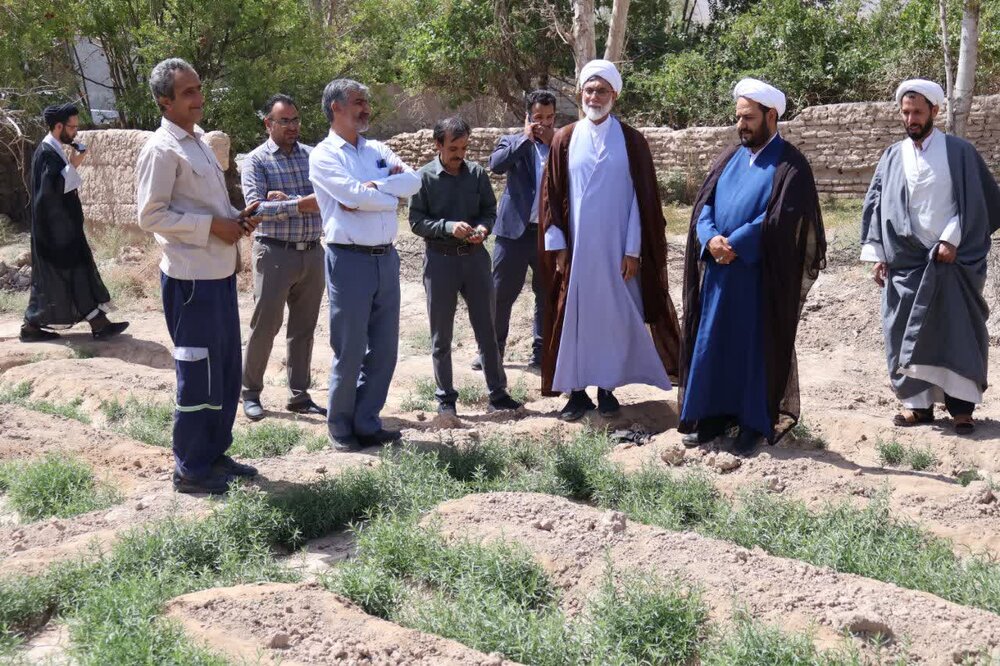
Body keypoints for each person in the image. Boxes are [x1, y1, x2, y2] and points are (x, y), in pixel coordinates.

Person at [678, 78, 826, 455]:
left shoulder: (791, 165)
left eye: (748, 118)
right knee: (712, 344)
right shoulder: (729, 157)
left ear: (770, 116)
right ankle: (710, 417)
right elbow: (705, 205)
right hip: (719, 272)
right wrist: (710, 238)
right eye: (738, 117)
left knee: (751, 350)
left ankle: (751, 424)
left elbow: (781, 218)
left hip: (757, 278)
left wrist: (736, 243)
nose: (740, 125)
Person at [136, 58, 261, 494]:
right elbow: (150, 215)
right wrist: (211, 227)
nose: (198, 98)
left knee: (223, 370)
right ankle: (190, 468)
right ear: (164, 101)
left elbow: (209, 206)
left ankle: (214, 454)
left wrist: (236, 217)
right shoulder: (160, 149)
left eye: (199, 89)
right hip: (191, 282)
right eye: (187, 92)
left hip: (219, 273)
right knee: (198, 372)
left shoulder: (200, 142)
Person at [539, 59, 681, 422]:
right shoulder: (565, 138)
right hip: (577, 253)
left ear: (614, 95)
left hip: (617, 252)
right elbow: (552, 196)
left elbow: (641, 201)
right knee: (575, 319)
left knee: (613, 320)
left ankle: (607, 387)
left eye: (602, 91)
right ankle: (576, 392)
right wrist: (558, 247)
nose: (594, 97)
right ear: (580, 94)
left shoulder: (631, 141)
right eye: (589, 90)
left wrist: (633, 250)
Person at [861, 79, 1000, 435]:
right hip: (906, 261)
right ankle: (917, 406)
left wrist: (951, 239)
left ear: (934, 111)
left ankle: (961, 408)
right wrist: (879, 253)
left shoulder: (959, 152)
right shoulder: (892, 156)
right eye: (905, 112)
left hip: (951, 260)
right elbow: (877, 204)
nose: (911, 119)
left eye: (917, 112)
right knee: (904, 331)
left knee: (957, 331)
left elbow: (975, 202)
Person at [309, 78, 421, 451]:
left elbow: (412, 181)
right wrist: (386, 196)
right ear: (336, 107)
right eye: (358, 102)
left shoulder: (376, 150)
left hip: (386, 259)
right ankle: (340, 425)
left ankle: (367, 420)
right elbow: (352, 197)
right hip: (349, 260)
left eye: (366, 102)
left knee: (385, 349)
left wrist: (375, 189)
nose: (366, 108)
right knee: (350, 348)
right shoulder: (325, 155)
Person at [409, 116, 523, 417]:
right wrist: (448, 227)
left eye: (463, 148)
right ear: (438, 145)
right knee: (441, 335)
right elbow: (416, 222)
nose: (459, 155)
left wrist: (483, 229)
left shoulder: (476, 174)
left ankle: (498, 393)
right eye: (453, 149)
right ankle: (446, 398)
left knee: (487, 329)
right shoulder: (423, 178)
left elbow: (489, 211)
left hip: (475, 260)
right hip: (440, 262)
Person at [240, 94, 326, 421]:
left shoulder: (314, 156)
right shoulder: (257, 161)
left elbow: (327, 197)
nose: (292, 126)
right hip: (274, 253)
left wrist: (285, 201)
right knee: (266, 325)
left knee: (304, 328)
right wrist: (300, 204)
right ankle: (250, 392)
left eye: (296, 120)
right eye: (284, 121)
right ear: (268, 124)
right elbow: (255, 209)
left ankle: (299, 395)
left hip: (312, 253)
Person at [20, 103, 129, 342]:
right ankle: (93, 324)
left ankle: (95, 324)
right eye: (72, 127)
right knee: (64, 275)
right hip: (56, 233)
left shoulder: (54, 149)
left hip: (62, 230)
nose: (75, 132)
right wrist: (75, 164)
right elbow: (51, 192)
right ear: (59, 126)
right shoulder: (47, 153)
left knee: (66, 276)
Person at [472, 89, 557, 371]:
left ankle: (541, 354)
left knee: (546, 294)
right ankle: (491, 352)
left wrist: (554, 142)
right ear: (528, 117)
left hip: (549, 233)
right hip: (513, 233)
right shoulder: (511, 141)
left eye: (549, 117)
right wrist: (525, 139)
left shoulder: (562, 143)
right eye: (538, 117)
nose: (544, 123)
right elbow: (496, 165)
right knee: (500, 293)